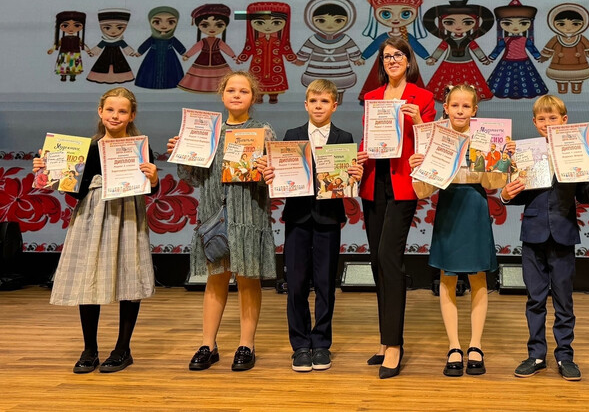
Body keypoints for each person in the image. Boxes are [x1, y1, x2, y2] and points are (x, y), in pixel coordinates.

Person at [34, 87, 158, 373]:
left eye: (122, 111)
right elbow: (75, 192)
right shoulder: (87, 149)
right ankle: (89, 349)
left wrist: (153, 178)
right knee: (88, 277)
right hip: (91, 215)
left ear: (132, 115)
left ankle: (123, 349)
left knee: (130, 275)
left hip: (127, 215)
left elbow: (149, 189)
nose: (115, 116)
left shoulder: (140, 147)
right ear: (100, 112)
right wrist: (47, 171)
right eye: (110, 110)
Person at [169, 71, 276, 372]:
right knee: (216, 278)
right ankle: (208, 344)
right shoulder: (207, 131)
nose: (237, 95)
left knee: (248, 278)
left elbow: (272, 179)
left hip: (248, 215)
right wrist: (183, 152)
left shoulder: (263, 131)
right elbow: (193, 178)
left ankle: (246, 345)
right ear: (222, 94)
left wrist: (268, 169)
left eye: (243, 91)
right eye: (231, 90)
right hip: (214, 214)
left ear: (253, 97)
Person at [500, 94, 589, 381]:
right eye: (542, 119)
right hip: (533, 236)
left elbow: (583, 194)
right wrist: (506, 193)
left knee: (564, 300)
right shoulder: (523, 152)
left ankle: (565, 356)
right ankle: (536, 354)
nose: (547, 123)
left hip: (564, 233)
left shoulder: (577, 150)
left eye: (553, 118)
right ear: (534, 122)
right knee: (535, 299)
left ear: (564, 120)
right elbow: (517, 195)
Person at [261, 79, 363, 373]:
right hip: (297, 217)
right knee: (295, 284)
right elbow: (283, 173)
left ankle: (321, 344)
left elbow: (347, 178)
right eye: (314, 101)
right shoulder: (292, 136)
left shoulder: (344, 137)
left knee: (325, 284)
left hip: (329, 219)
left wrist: (355, 174)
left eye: (325, 101)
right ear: (306, 104)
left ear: (334, 105)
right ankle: (300, 346)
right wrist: (273, 175)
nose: (319, 106)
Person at [357, 37, 436, 378]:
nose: (392, 60)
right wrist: (359, 156)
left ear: (408, 60)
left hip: (404, 184)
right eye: (387, 56)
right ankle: (384, 339)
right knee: (377, 261)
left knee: (389, 258)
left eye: (398, 55)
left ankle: (394, 345)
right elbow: (368, 138)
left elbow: (431, 142)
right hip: (374, 182)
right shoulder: (372, 97)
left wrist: (417, 120)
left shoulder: (423, 98)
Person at [409, 84, 498, 377]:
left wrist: (499, 160)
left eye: (466, 106)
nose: (460, 111)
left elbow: (493, 184)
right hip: (448, 204)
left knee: (478, 276)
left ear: (475, 110)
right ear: (445, 108)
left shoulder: (486, 137)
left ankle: (476, 345)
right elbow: (423, 191)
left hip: (475, 204)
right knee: (447, 277)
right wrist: (417, 167)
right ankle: (454, 346)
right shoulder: (434, 137)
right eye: (455, 106)